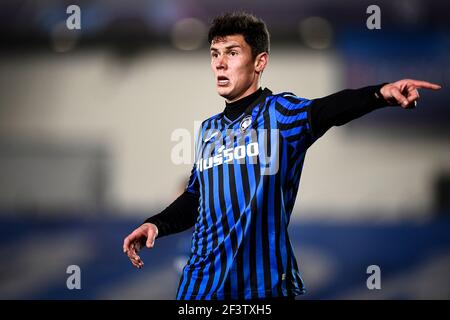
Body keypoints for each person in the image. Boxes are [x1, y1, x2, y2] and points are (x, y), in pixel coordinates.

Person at [123, 12, 441, 300]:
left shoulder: (280, 114)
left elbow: (327, 110)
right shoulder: (207, 131)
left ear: (259, 62)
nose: (219, 63)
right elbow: (196, 197)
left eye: (232, 53)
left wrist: (378, 93)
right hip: (199, 288)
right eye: (215, 54)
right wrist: (156, 224)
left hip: (261, 288)